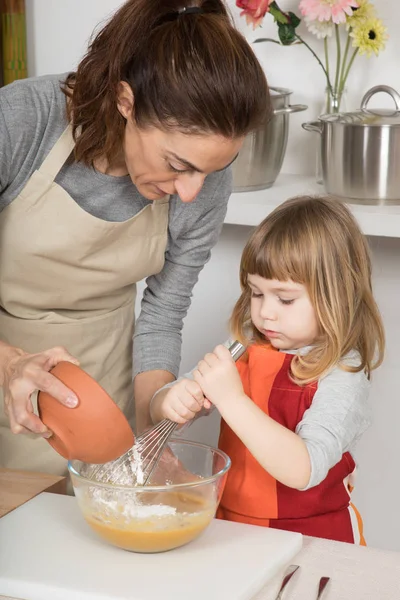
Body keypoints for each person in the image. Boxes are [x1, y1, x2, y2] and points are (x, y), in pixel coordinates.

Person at [0, 0, 270, 475]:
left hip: (104, 401)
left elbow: (163, 314)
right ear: (126, 102)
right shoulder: (22, 123)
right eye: (177, 165)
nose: (191, 193)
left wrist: (152, 431)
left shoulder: (203, 176)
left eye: (212, 170)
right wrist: (10, 366)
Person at [151, 195, 385, 544]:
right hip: (231, 526)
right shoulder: (244, 347)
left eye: (285, 299)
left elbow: (302, 469)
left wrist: (231, 399)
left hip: (314, 536)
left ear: (338, 294)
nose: (265, 313)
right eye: (256, 293)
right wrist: (172, 400)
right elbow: (164, 408)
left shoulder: (342, 373)